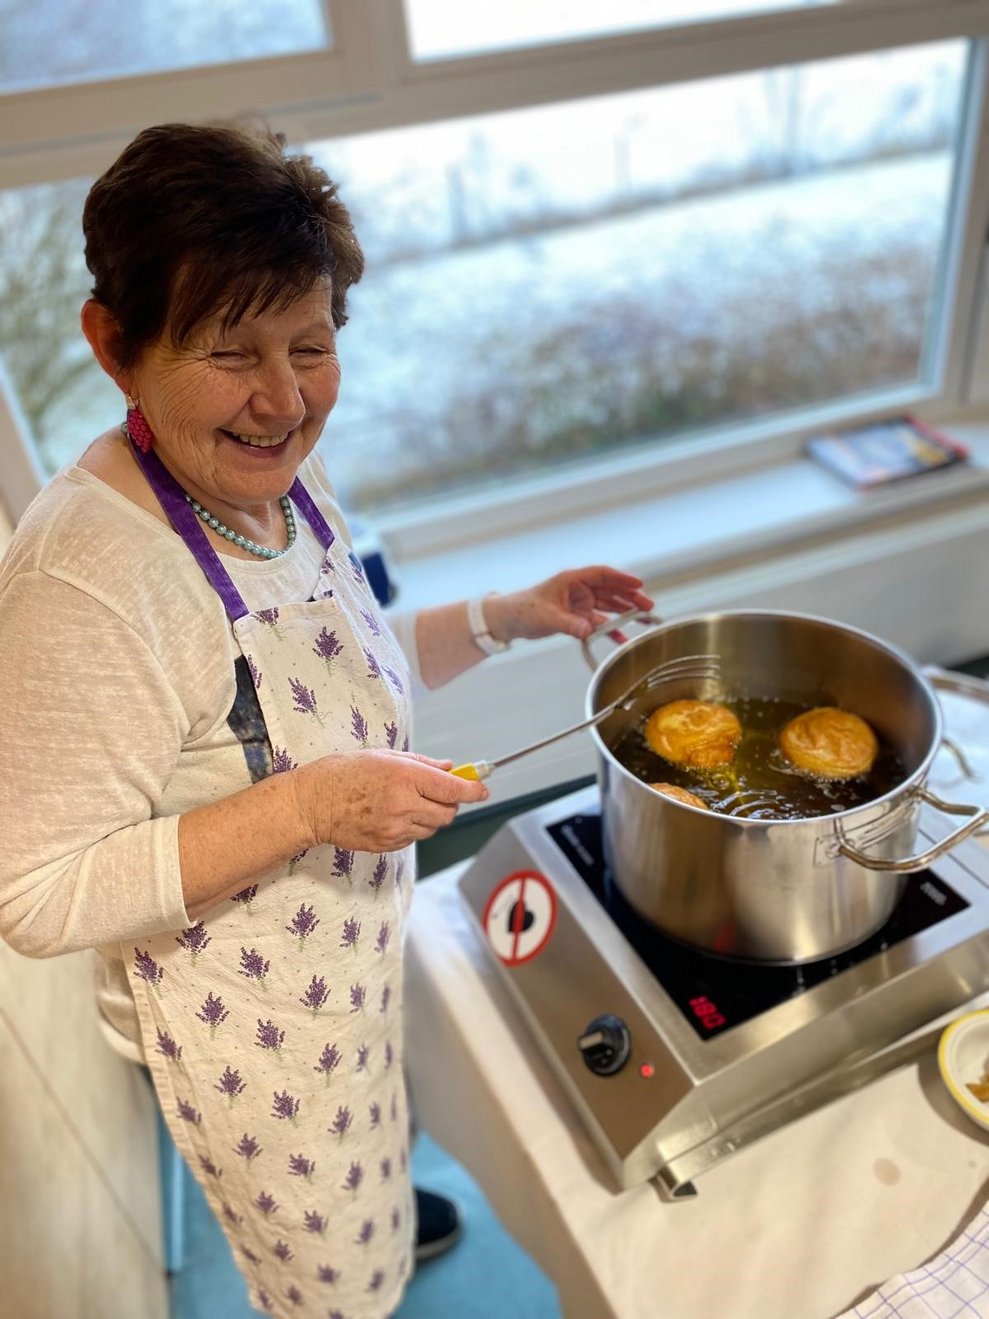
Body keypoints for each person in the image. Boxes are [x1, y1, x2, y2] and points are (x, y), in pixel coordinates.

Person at [0, 119, 654, 1319]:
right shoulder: (88, 580)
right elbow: (35, 893)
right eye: (229, 350)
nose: (284, 397)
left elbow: (339, 670)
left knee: (378, 1160)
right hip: (249, 1037)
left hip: (344, 956)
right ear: (113, 344)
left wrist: (511, 613)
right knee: (327, 1289)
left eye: (310, 344)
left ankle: (385, 1215)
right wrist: (310, 804)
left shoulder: (267, 465)